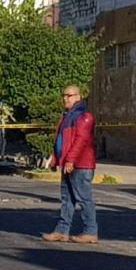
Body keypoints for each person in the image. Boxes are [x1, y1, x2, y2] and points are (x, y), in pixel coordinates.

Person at [42, 85, 99, 244]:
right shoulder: (66, 116)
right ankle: (62, 231)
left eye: (70, 95)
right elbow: (61, 140)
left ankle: (90, 231)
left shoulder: (84, 117)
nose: (66, 98)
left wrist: (71, 160)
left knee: (84, 199)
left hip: (80, 165)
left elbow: (81, 140)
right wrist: (55, 159)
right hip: (67, 163)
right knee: (67, 199)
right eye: (64, 95)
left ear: (79, 97)